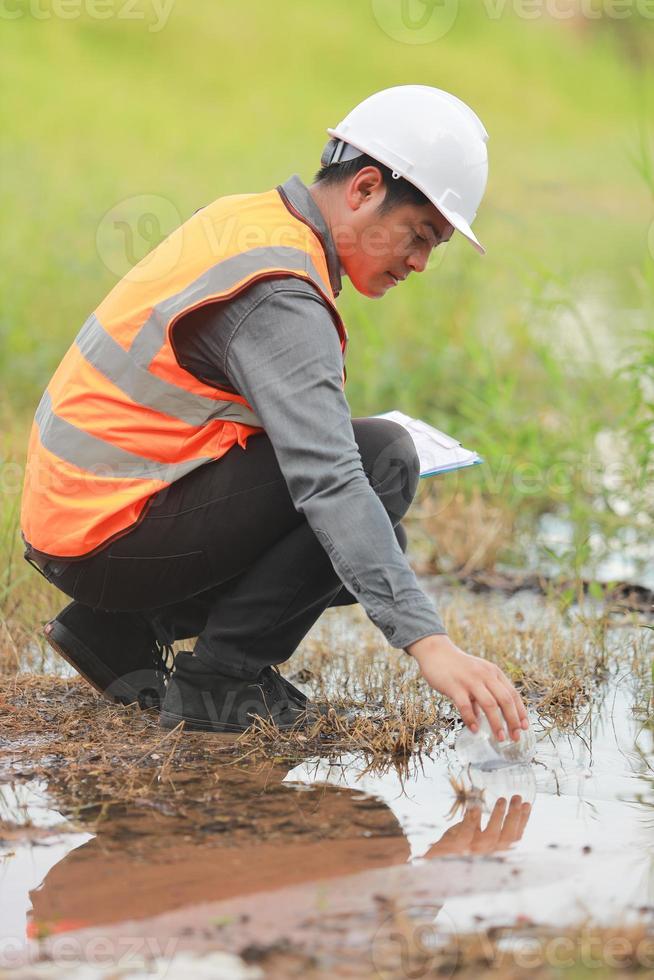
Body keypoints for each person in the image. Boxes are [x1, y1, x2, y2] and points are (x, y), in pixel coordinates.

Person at [20, 85, 529, 740]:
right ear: (366, 187)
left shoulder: (252, 220)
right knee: (383, 464)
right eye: (420, 234)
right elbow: (330, 480)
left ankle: (117, 631)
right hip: (106, 533)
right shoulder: (279, 293)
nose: (422, 263)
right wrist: (430, 643)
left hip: (82, 518)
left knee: (380, 537)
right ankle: (217, 686)